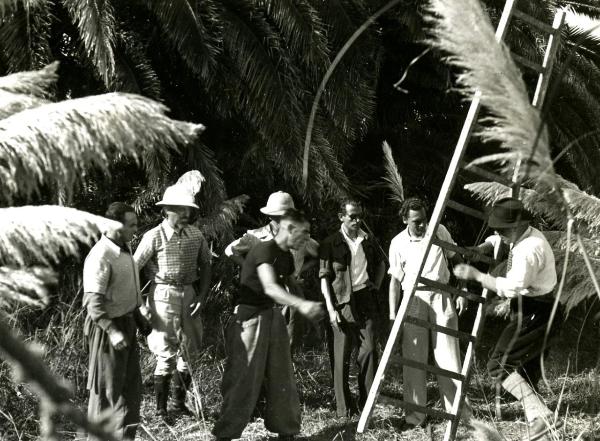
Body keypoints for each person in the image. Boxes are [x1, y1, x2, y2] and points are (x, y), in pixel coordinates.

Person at [454, 197, 560, 440]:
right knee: (525, 372)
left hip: (537, 310)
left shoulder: (530, 249)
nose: (498, 234)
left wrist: (476, 276)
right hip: (532, 307)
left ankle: (544, 416)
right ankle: (540, 430)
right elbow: (497, 240)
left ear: (516, 226)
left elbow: (511, 288)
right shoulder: (522, 235)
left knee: (498, 365)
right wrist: (483, 248)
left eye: (502, 230)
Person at [212, 209, 324, 441]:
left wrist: (311, 308)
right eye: (303, 233)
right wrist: (302, 305)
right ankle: (225, 434)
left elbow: (290, 281)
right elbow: (270, 287)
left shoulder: (285, 255)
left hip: (273, 318)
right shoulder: (264, 249)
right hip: (250, 319)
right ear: (289, 229)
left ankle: (286, 430)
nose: (306, 238)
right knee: (244, 379)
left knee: (282, 375)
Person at [388, 197, 471, 428]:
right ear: (405, 220)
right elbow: (394, 281)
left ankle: (459, 416)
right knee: (413, 359)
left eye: (424, 220)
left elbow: (456, 258)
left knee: (448, 357)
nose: (423, 225)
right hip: (413, 298)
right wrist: (394, 316)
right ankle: (415, 417)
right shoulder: (397, 243)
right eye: (417, 222)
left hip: (441, 295)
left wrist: (463, 288)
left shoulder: (440, 230)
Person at [134, 184, 212, 420]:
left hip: (188, 293)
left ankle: (178, 404)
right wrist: (140, 304)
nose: (186, 214)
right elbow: (133, 268)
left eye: (189, 210)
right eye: (180, 210)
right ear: (166, 210)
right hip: (162, 295)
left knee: (189, 350)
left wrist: (202, 296)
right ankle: (161, 409)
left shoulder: (196, 235)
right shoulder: (153, 236)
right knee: (165, 351)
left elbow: (207, 264)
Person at [83, 202, 149, 440]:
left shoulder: (125, 250)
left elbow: (128, 291)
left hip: (127, 325)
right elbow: (93, 303)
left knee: (130, 390)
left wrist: (139, 318)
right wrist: (112, 331)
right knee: (106, 392)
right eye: (131, 225)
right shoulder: (100, 255)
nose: (135, 230)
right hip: (107, 330)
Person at [225, 191, 319, 350]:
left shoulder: (299, 238)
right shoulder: (256, 237)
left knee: (287, 342)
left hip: (290, 293)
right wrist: (250, 267)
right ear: (270, 216)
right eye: (278, 216)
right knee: (261, 341)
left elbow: (319, 253)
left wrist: (299, 271)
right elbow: (230, 251)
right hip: (263, 297)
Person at [319, 199, 385, 417]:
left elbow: (382, 263)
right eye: (352, 217)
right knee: (342, 355)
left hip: (366, 299)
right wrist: (331, 309)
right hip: (342, 301)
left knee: (369, 350)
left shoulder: (368, 240)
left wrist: (376, 282)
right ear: (341, 217)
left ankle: (367, 405)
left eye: (359, 216)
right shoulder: (330, 243)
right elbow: (324, 278)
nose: (357, 220)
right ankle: (343, 410)